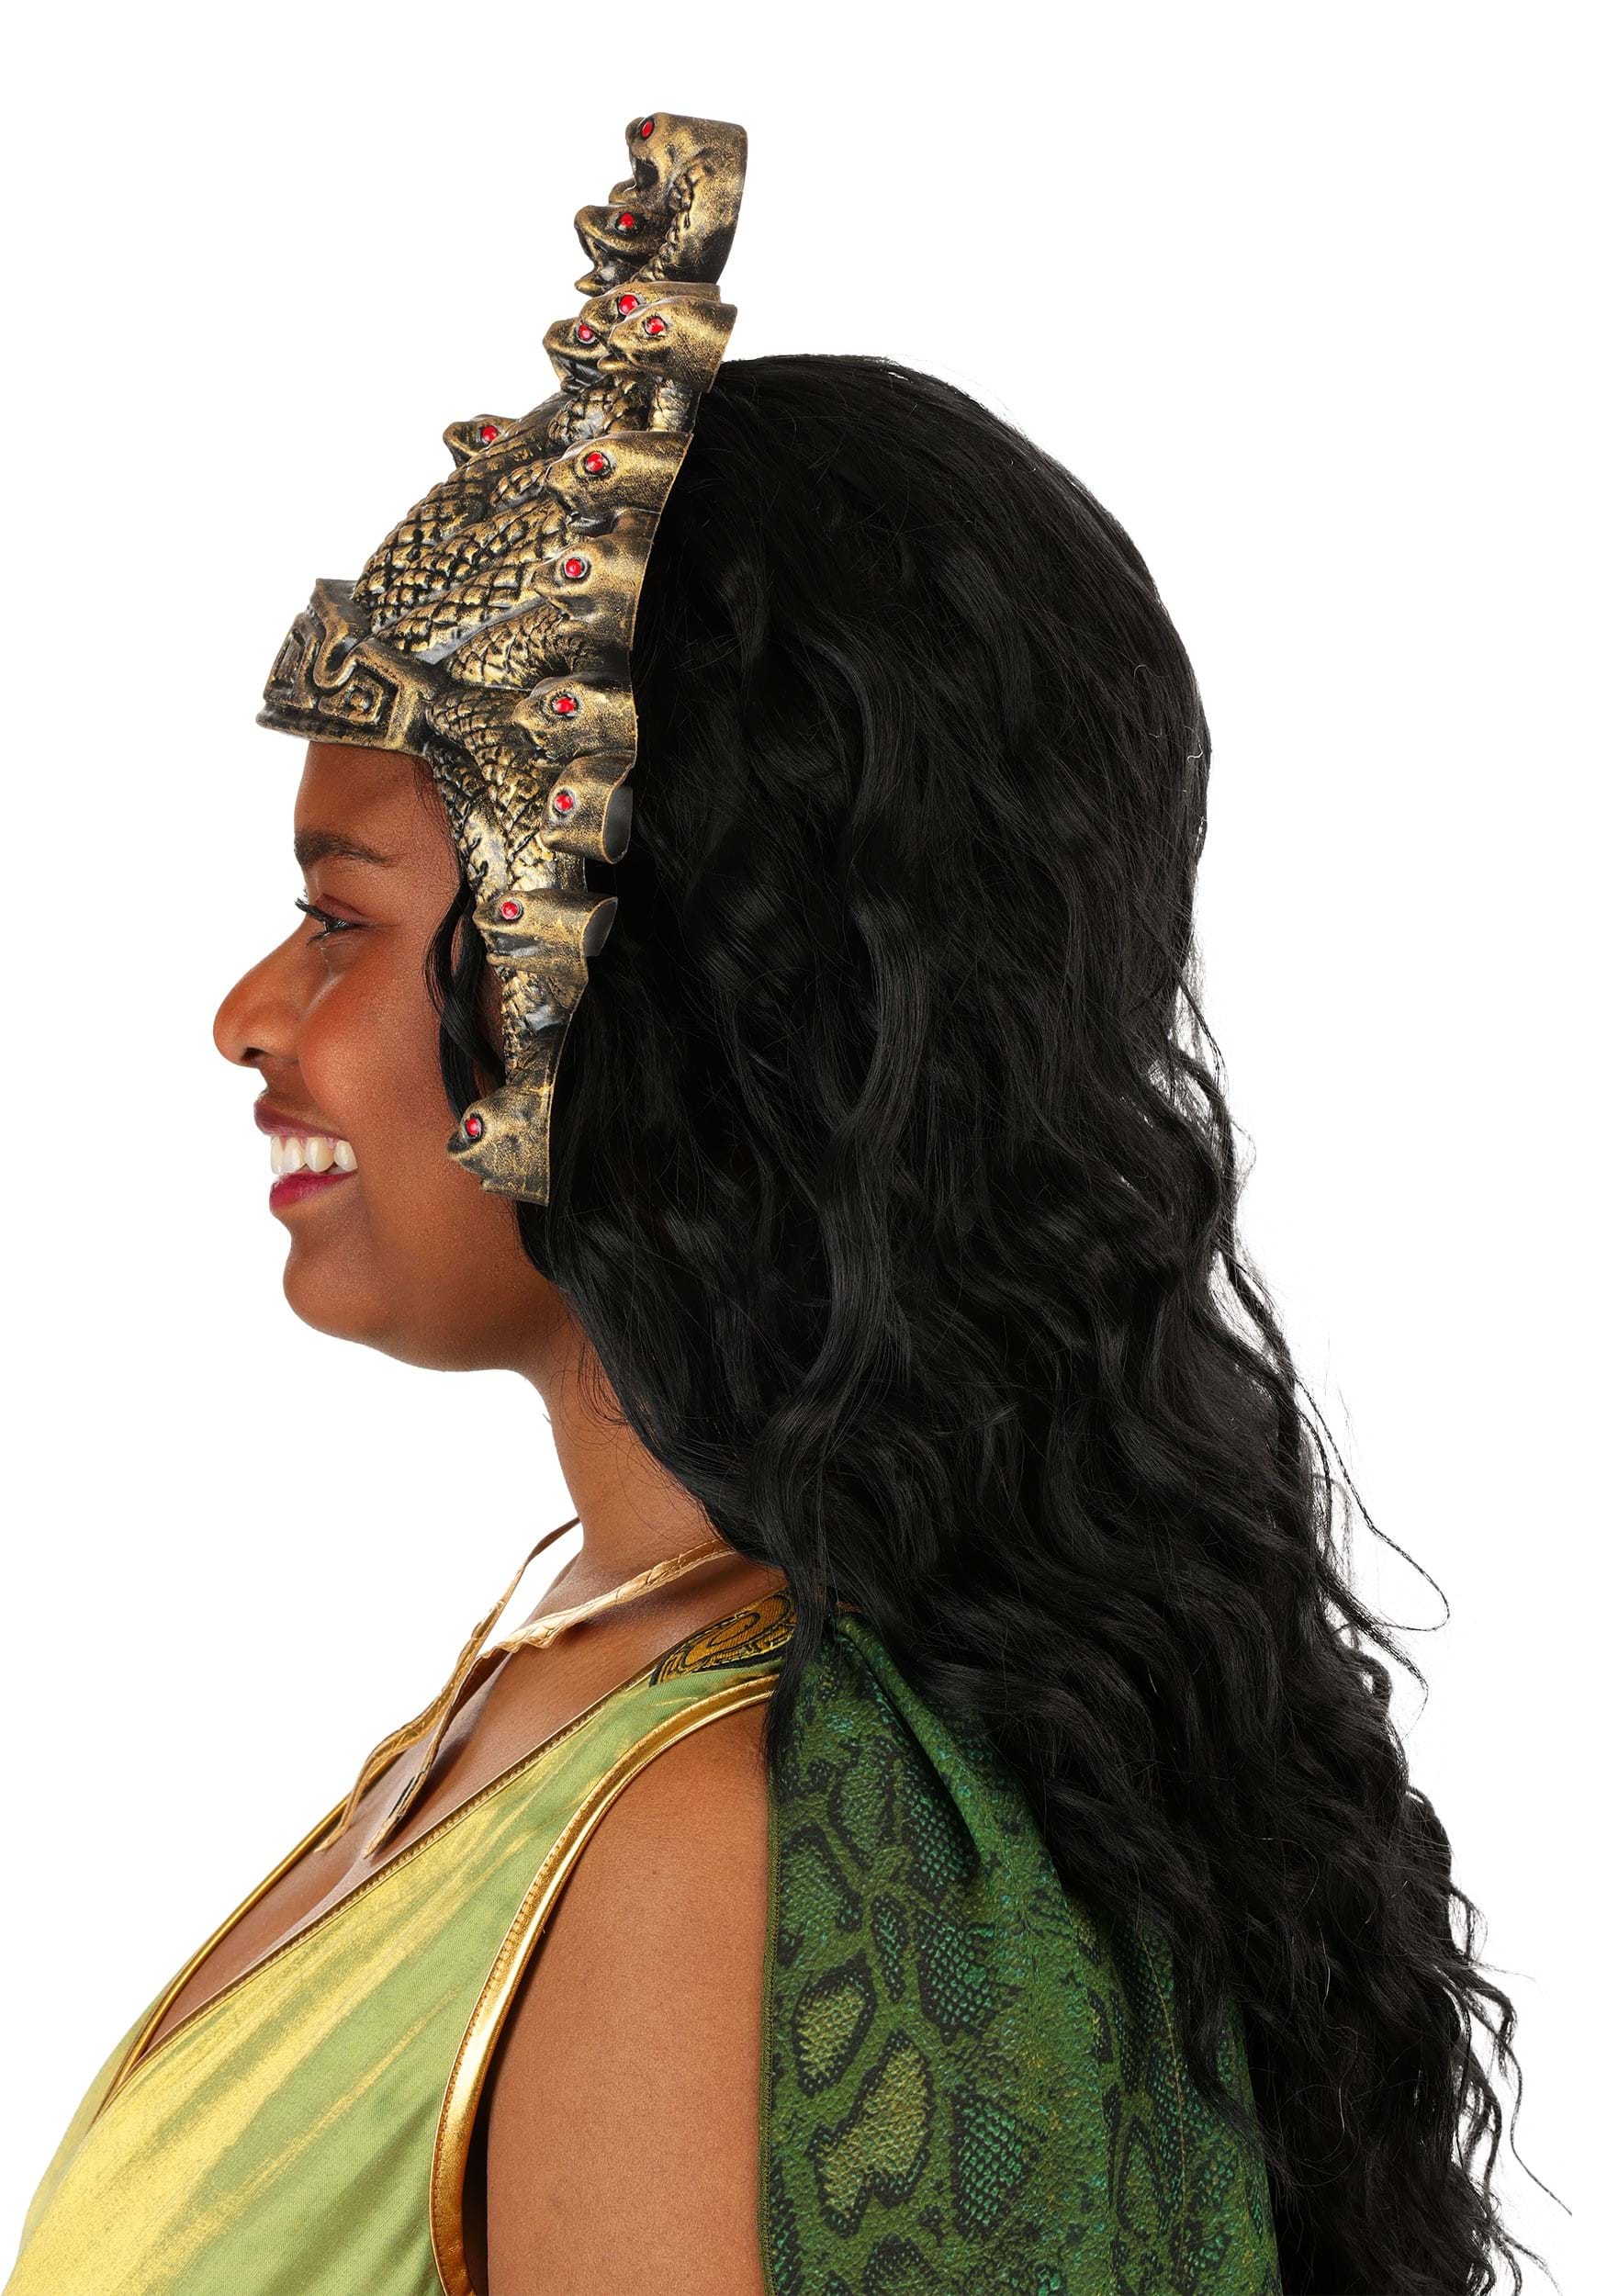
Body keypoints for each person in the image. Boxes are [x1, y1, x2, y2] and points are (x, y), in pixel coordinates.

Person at [4, 113, 1537, 2296]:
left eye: (338, 917)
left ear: (631, 982)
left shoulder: (708, 1854)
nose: (249, 1012)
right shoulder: (593, 1652)